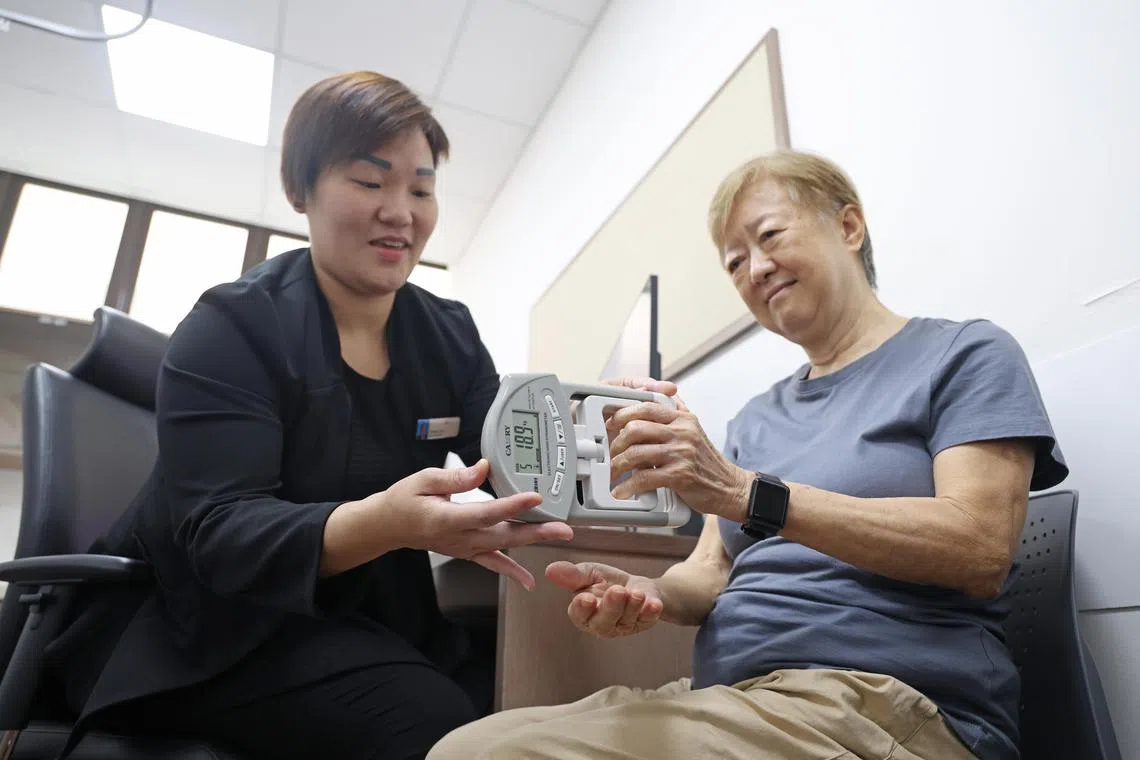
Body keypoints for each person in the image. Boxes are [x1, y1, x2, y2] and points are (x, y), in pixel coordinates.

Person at [427, 150, 1067, 760]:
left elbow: (980, 548)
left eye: (770, 236)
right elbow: (712, 573)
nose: (755, 269)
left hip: (887, 706)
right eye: (735, 263)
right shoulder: (755, 417)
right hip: (741, 701)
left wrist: (746, 492)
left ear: (848, 225)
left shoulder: (964, 355)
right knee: (460, 746)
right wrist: (648, 591)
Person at [43, 71, 574, 760]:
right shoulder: (232, 325)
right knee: (444, 728)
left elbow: (505, 445)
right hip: (211, 629)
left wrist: (595, 423)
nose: (400, 211)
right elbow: (223, 533)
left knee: (521, 693)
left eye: (420, 188)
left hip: (359, 614)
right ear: (302, 190)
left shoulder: (447, 332)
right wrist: (388, 522)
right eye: (368, 180)